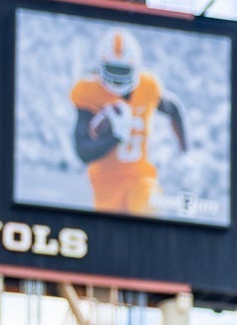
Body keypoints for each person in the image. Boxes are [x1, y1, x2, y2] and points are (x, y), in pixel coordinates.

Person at [71, 27, 187, 217]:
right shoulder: (88, 92)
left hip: (140, 177)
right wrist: (116, 137)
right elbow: (83, 151)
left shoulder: (148, 86)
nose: (117, 77)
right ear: (100, 67)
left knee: (149, 216)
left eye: (123, 70)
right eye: (112, 69)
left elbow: (174, 109)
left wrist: (185, 153)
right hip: (105, 185)